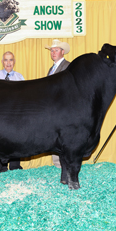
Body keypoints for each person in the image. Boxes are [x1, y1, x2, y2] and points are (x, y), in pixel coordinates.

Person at [0, 51, 24, 173]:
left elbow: (24, 96)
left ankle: (15, 166)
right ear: (2, 62)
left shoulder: (20, 77)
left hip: (15, 114)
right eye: (6, 60)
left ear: (14, 62)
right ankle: (1, 167)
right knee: (0, 139)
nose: (8, 63)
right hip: (0, 114)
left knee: (16, 138)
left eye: (11, 60)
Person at [45, 39, 71, 168]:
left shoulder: (68, 66)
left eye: (56, 50)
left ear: (63, 52)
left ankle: (64, 161)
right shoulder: (52, 68)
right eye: (51, 50)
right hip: (52, 107)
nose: (53, 52)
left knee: (63, 134)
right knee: (55, 134)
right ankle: (57, 162)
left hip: (63, 107)